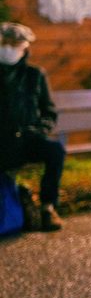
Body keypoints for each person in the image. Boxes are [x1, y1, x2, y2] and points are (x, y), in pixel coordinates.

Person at [0, 22, 65, 231]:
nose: (9, 48)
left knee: (55, 151)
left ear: (25, 47)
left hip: (27, 139)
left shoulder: (35, 76)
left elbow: (49, 112)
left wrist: (38, 130)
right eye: (4, 42)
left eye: (15, 44)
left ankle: (48, 208)